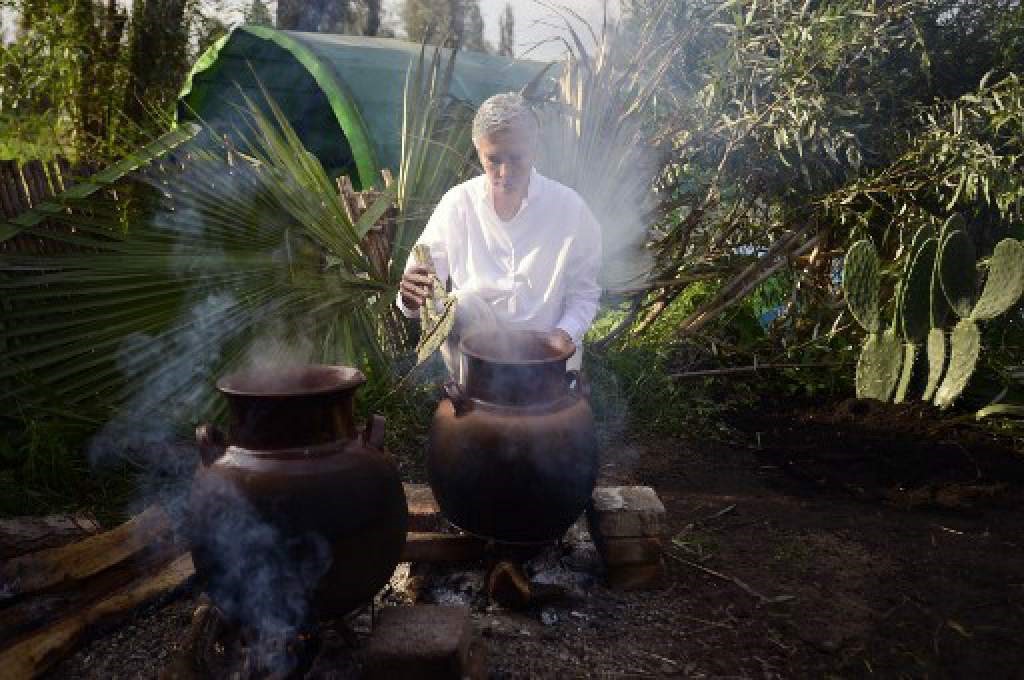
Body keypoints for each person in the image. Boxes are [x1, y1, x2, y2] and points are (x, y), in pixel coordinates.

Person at [397, 92, 602, 380]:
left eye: (516, 158)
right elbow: (420, 295)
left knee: (557, 421)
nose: (504, 172)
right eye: (493, 160)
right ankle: (468, 396)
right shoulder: (458, 204)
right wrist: (411, 298)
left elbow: (584, 294)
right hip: (474, 358)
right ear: (478, 151)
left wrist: (564, 333)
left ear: (534, 147)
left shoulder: (570, 208)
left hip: (545, 357)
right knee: (463, 304)